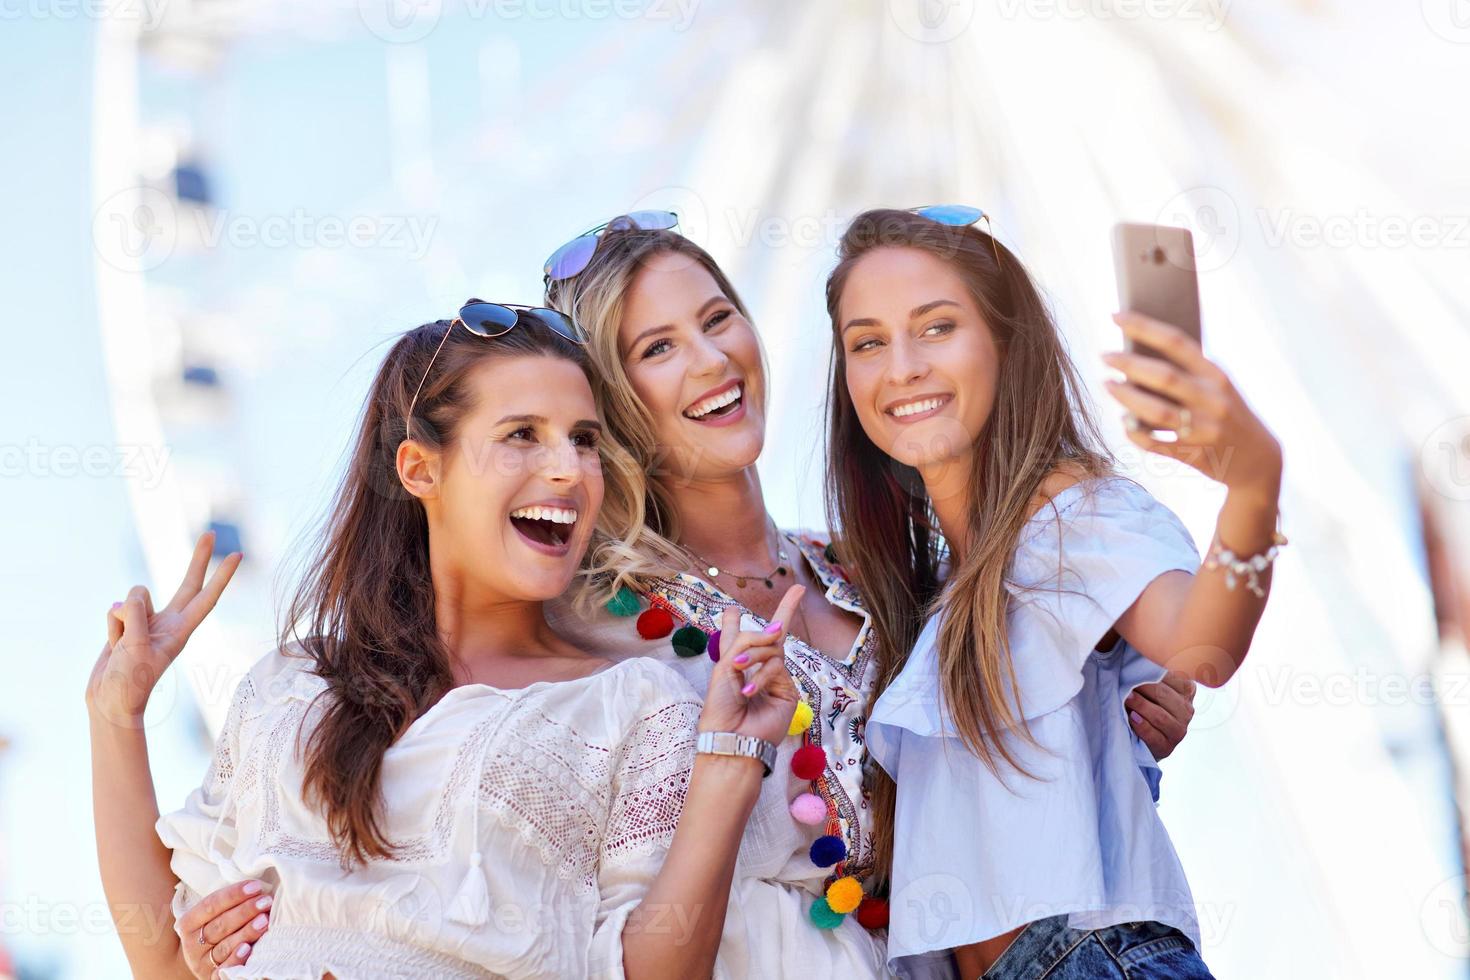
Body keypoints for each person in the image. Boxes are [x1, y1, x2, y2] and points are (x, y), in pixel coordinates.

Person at [87, 302, 803, 979]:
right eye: (523, 434)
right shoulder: (290, 687)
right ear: (420, 469)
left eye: (584, 441)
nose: (569, 470)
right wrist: (116, 716)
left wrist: (732, 761)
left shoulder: (634, 705)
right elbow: (167, 966)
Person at [826, 208, 1284, 978]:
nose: (900, 366)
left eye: (937, 327)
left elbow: (1202, 644)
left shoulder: (1071, 513)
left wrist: (1254, 485)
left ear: (1007, 344)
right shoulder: (930, 593)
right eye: (867, 342)